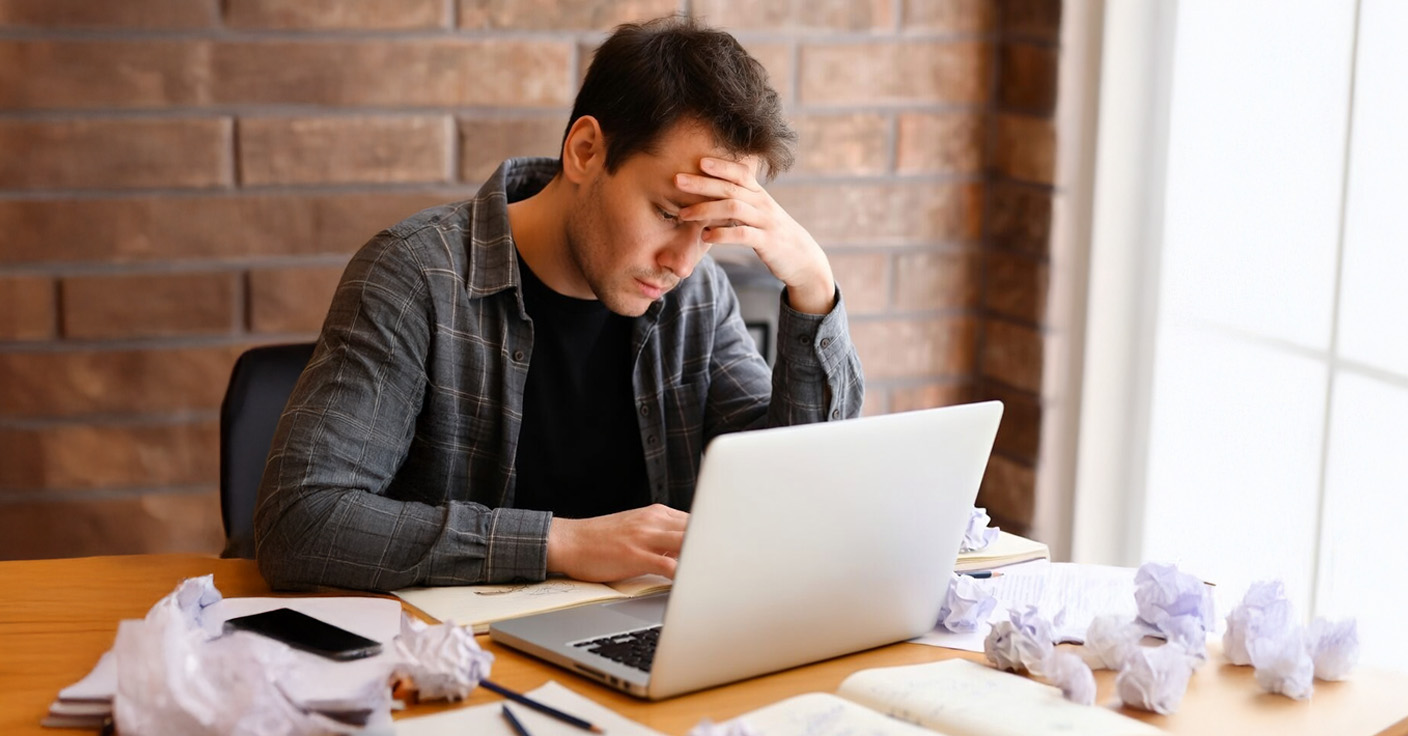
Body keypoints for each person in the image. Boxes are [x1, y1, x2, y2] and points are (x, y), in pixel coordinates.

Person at [253, 15, 864, 593]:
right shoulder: (416, 275)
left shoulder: (696, 296)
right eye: (670, 214)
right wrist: (559, 543)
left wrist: (813, 288)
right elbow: (301, 521)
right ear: (586, 151)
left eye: (708, 230)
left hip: (630, 647)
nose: (681, 262)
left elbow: (791, 493)